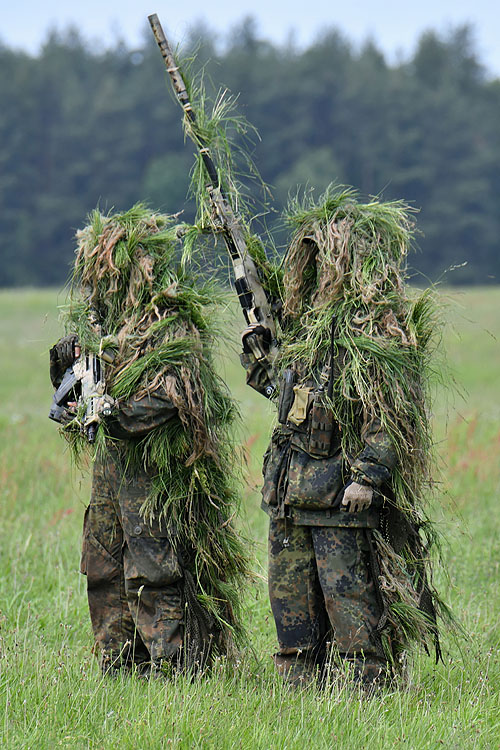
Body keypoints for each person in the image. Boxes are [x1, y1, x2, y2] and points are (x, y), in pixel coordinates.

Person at [240, 187, 447, 688]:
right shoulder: (304, 331)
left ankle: (369, 686)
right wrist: (260, 360)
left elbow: (392, 413)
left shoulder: (373, 328)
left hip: (339, 498)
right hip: (288, 494)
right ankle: (300, 688)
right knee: (291, 607)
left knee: (351, 602)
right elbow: (284, 396)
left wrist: (369, 476)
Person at [49, 204, 248, 676]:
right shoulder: (100, 331)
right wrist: (65, 372)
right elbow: (78, 389)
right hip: (110, 475)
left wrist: (115, 413)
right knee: (103, 567)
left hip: (153, 475)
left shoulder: (171, 325)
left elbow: (175, 399)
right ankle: (118, 664)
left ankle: (174, 668)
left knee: (153, 570)